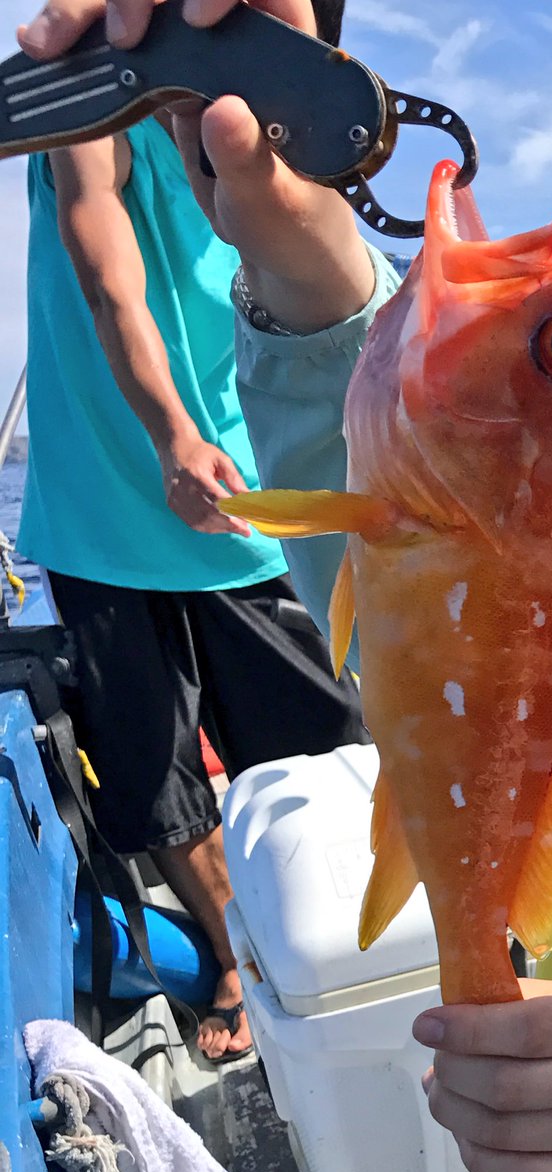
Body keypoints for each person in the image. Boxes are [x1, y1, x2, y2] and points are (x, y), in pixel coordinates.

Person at [15, 0, 552, 1172]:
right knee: (165, 771)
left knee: (284, 752)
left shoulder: (424, 483)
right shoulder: (420, 477)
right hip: (137, 513)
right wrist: (299, 251)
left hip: (227, 519)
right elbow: (367, 423)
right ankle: (236, 968)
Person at [15, 0, 370, 1065]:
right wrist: (172, 433)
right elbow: (101, 255)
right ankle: (231, 957)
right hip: (101, 509)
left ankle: (342, 957)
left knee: (323, 754)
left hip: (246, 500)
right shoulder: (91, 96)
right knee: (155, 783)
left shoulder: (259, 115)